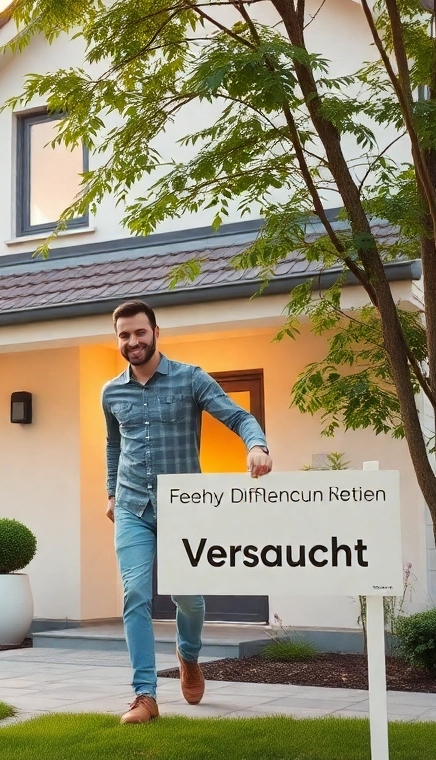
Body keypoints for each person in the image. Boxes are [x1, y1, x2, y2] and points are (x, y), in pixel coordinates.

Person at [103, 300, 273, 724]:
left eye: (140, 332)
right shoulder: (111, 391)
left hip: (183, 506)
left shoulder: (190, 378)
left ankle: (188, 656)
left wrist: (256, 445)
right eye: (124, 335)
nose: (133, 341)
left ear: (156, 332)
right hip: (131, 506)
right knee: (135, 593)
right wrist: (110, 493)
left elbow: (238, 416)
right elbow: (113, 445)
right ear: (118, 339)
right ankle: (145, 695)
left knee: (189, 599)